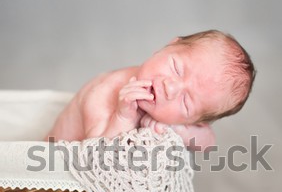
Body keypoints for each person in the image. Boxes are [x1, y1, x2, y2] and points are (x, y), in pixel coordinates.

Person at [45, 30, 256, 150]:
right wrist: (122, 118)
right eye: (176, 68)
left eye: (185, 102)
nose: (170, 87)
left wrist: (177, 129)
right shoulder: (105, 92)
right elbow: (96, 155)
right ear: (167, 46)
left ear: (196, 121)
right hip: (54, 168)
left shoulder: (181, 120)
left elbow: (208, 144)